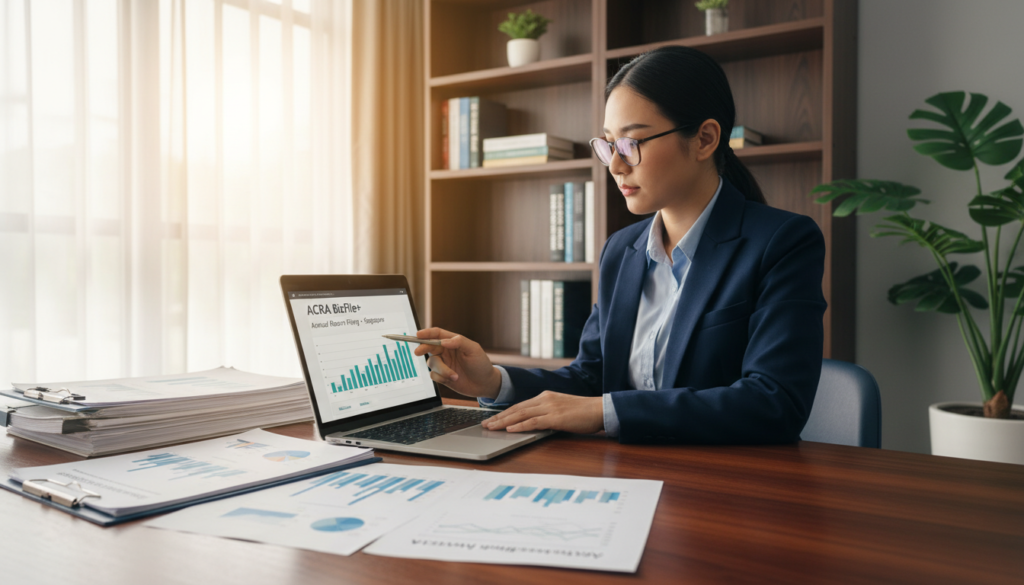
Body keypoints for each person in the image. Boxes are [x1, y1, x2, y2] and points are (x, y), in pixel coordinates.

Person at [415, 46, 826, 444]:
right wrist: (494, 380)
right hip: (627, 475)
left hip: (726, 487)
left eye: (632, 143)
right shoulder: (621, 250)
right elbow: (592, 377)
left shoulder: (783, 242)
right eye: (609, 144)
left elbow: (775, 403)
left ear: (704, 139)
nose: (615, 164)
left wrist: (604, 413)